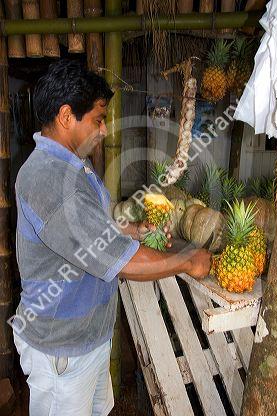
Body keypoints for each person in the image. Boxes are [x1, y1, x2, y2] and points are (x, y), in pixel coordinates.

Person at [12, 59, 211, 416]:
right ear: (66, 116)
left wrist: (133, 230)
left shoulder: (74, 167)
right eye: (98, 119)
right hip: (63, 352)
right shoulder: (51, 180)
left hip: (88, 340)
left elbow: (96, 229)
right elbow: (121, 261)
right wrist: (187, 260)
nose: (104, 131)